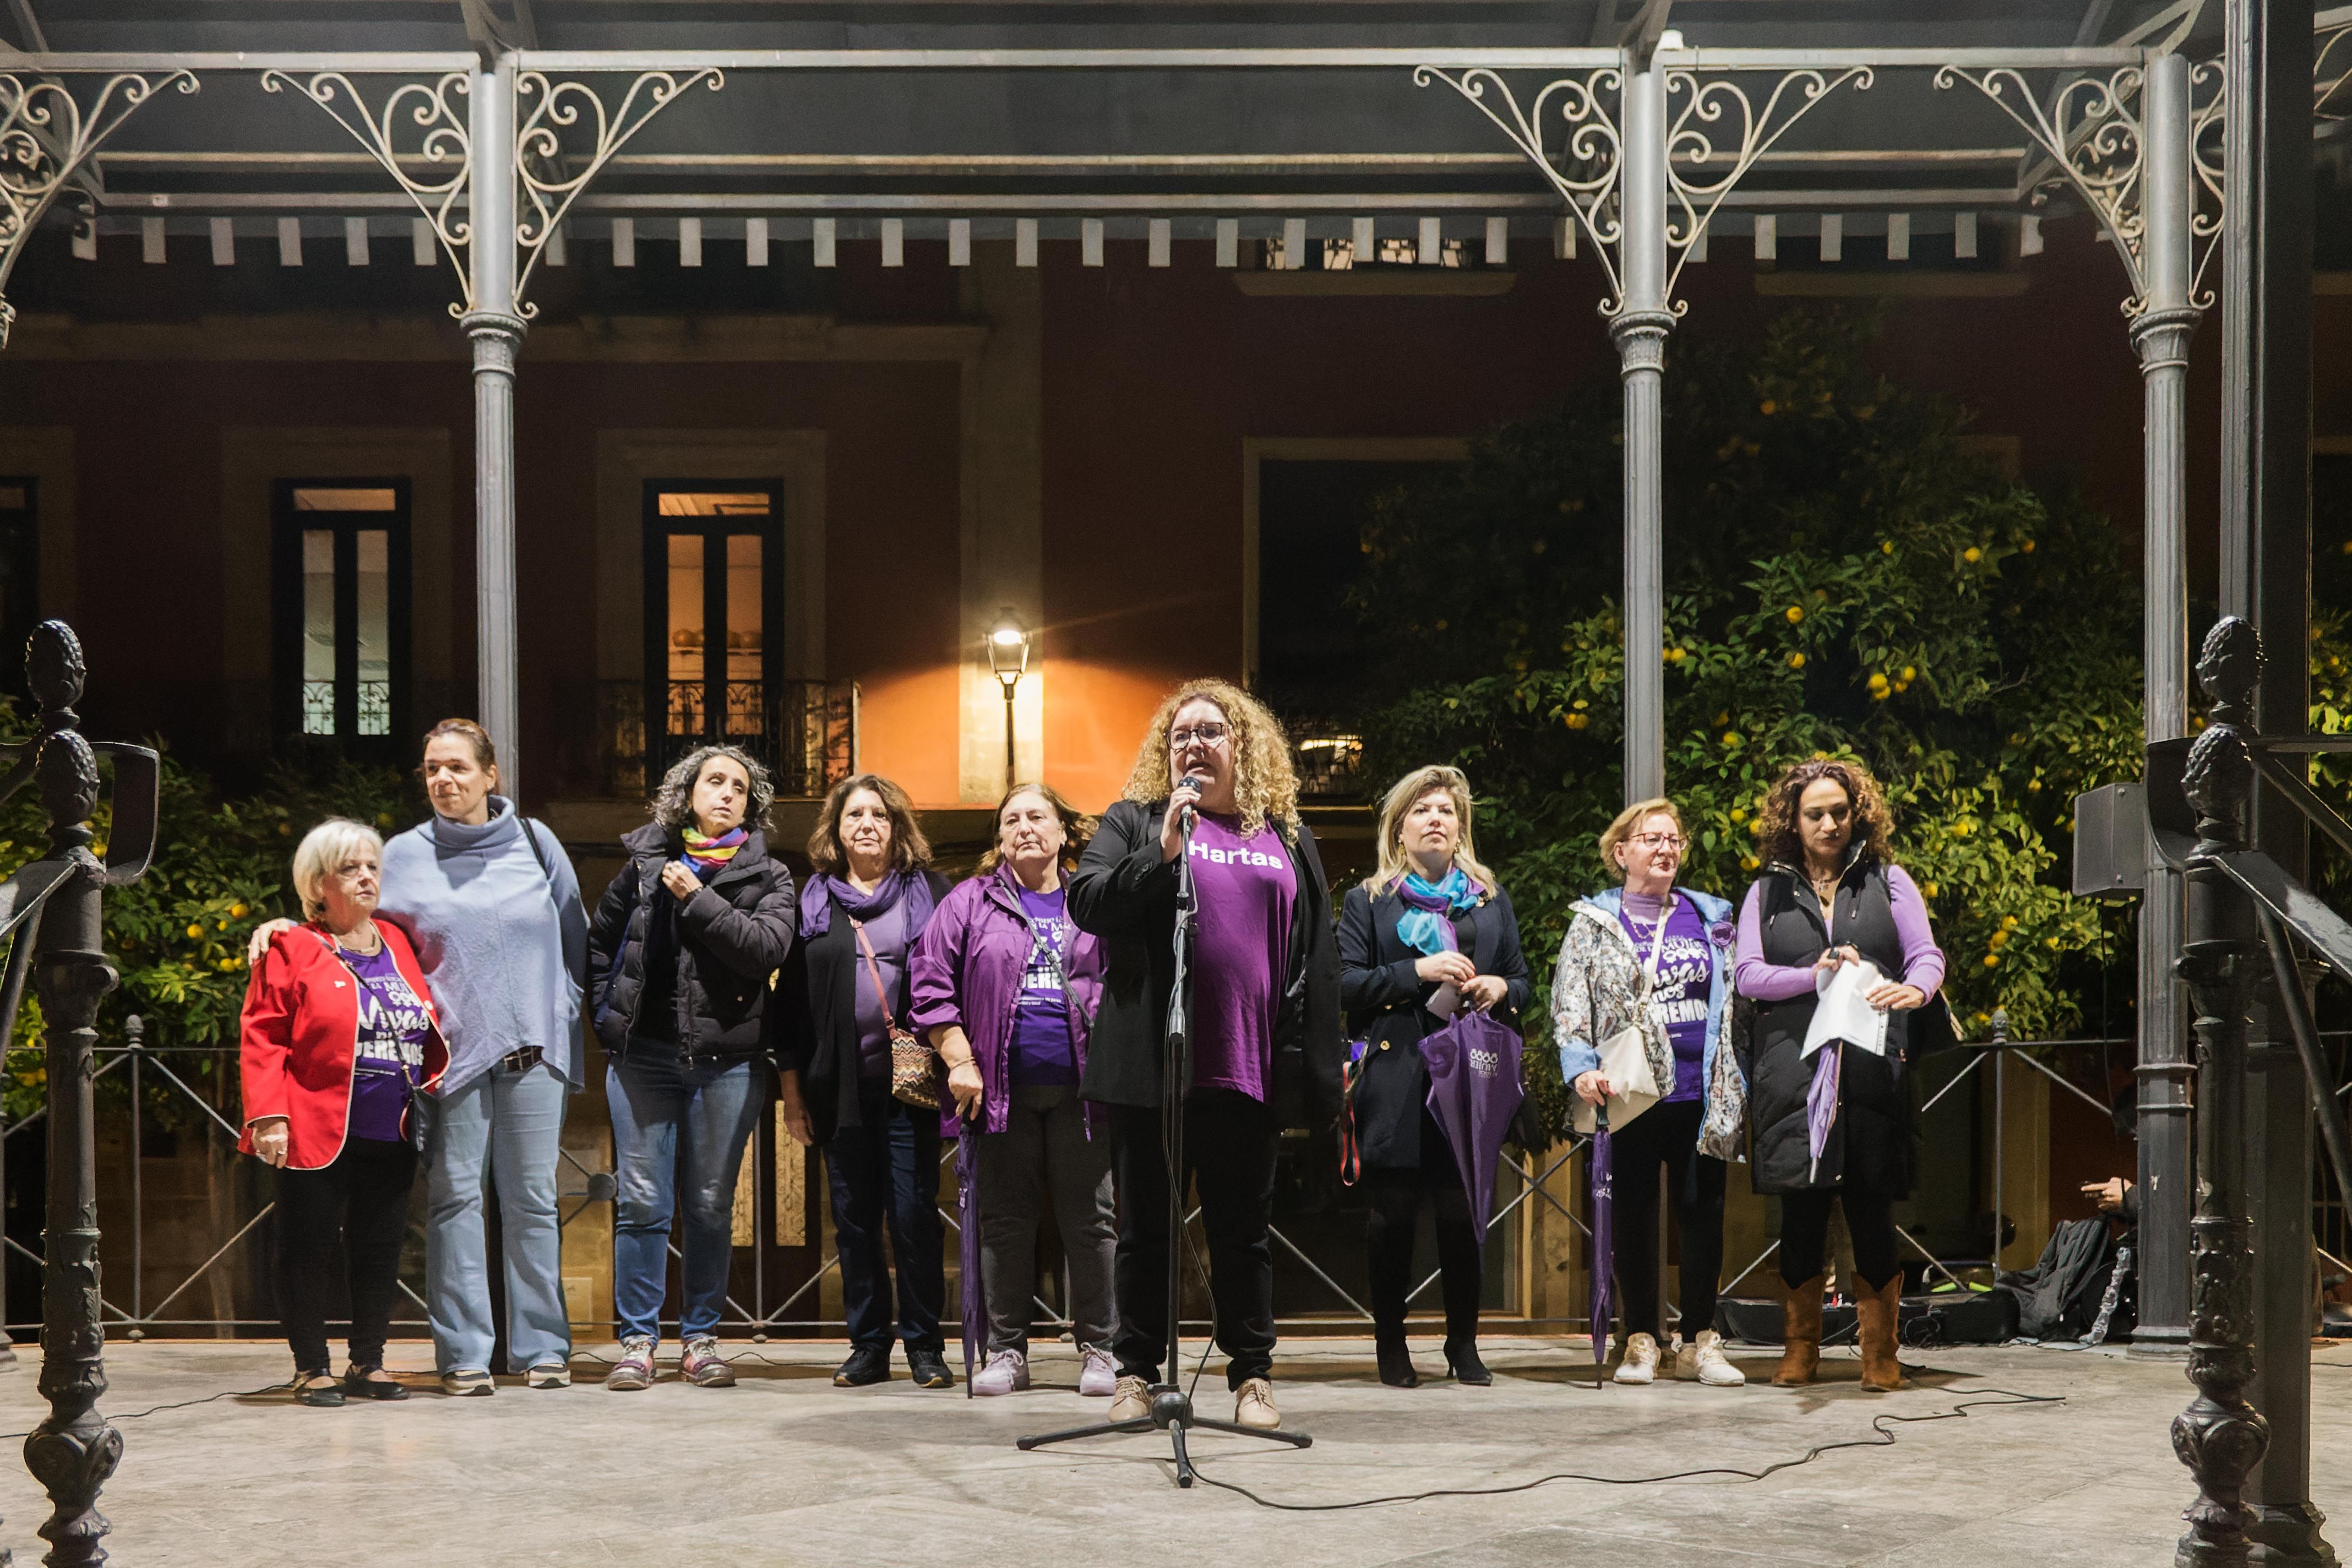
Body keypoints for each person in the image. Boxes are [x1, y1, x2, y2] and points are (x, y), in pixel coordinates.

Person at [249, 720, 587, 1396]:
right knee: (455, 1202)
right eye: (432, 768)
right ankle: (464, 1355)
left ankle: (543, 1351)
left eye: (459, 767)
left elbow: (575, 934)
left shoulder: (534, 841)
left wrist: (566, 1011)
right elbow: (352, 919)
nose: (444, 779)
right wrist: (287, 923)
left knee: (533, 1202)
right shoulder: (401, 853)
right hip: (452, 1062)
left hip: (531, 1054)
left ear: (492, 775)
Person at [1068, 679, 1343, 1433]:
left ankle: (1252, 1375)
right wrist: (1158, 855)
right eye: (1180, 734)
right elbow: (1086, 902)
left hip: (1249, 1063)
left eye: (1211, 731)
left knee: (1242, 1232)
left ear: (1241, 745)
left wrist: (1317, 1060)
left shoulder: (1284, 833)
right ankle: (1134, 1372)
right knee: (1145, 1229)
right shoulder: (1136, 821)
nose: (1195, 743)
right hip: (1152, 1066)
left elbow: (1314, 952)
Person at [589, 745, 796, 1391]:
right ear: (688, 793)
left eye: (739, 786)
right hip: (642, 1059)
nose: (727, 793)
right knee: (644, 1204)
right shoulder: (644, 861)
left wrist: (699, 898)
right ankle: (639, 1342)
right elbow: (601, 940)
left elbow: (766, 948)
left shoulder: (771, 876)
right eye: (715, 781)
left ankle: (701, 1338)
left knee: (708, 1204)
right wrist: (606, 1016)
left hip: (726, 1063)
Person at [1735, 756, 1945, 1393]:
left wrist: (1917, 990)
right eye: (1814, 813)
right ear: (1793, 822)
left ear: (1857, 815)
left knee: (1871, 1206)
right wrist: (1814, 973)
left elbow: (1926, 956)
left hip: (1871, 1065)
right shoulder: (1765, 891)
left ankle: (1879, 1354)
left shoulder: (1889, 880)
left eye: (1839, 811)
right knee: (1801, 1210)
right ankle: (1801, 1350)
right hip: (1793, 1070)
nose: (1829, 822)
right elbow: (1747, 974)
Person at [910, 782, 1116, 1398]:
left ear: (1062, 832)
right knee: (1004, 1221)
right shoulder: (969, 901)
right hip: (999, 1090)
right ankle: (1006, 1350)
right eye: (1012, 819)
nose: (1025, 827)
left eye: (1038, 816)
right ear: (999, 838)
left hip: (1086, 1089)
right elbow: (929, 982)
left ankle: (1102, 1349)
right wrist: (958, 1059)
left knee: (1095, 1221)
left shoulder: (1093, 900)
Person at [241, 820, 447, 1407]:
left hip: (394, 1124)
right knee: (306, 1245)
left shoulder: (397, 941)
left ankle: (368, 1361)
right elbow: (262, 1035)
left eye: (372, 867)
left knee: (379, 1247)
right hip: (314, 1124)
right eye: (350, 868)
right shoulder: (291, 946)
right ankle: (312, 1367)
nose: (366, 877)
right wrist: (268, 1116)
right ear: (317, 883)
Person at [1337, 764, 1529, 1389]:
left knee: (1461, 1210)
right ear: (1400, 828)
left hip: (1470, 1074)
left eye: (1446, 810)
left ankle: (1463, 1344)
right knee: (1391, 1216)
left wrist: (1500, 987)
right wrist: (1417, 972)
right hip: (1397, 1074)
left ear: (1461, 826)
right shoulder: (1369, 900)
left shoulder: (1489, 898)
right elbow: (1344, 985)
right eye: (1422, 810)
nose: (1436, 819)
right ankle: (1391, 1344)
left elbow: (1523, 980)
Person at [1551, 797, 1746, 1389]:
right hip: (1629, 1091)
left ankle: (1699, 1341)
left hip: (1700, 1090)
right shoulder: (1593, 921)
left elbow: (1735, 997)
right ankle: (1640, 1338)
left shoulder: (1712, 917)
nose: (1665, 849)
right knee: (1634, 1217)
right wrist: (1579, 1066)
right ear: (1622, 852)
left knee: (1702, 1215)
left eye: (1673, 839)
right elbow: (1569, 1002)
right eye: (1650, 839)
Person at [772, 773, 956, 1390]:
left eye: (879, 814)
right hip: (838, 1089)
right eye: (855, 815)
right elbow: (790, 1010)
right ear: (836, 829)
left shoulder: (930, 892)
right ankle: (869, 1345)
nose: (868, 825)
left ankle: (925, 1345)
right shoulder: (814, 900)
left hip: (914, 1086)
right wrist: (793, 1095)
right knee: (853, 1218)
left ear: (897, 827)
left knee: (912, 1214)